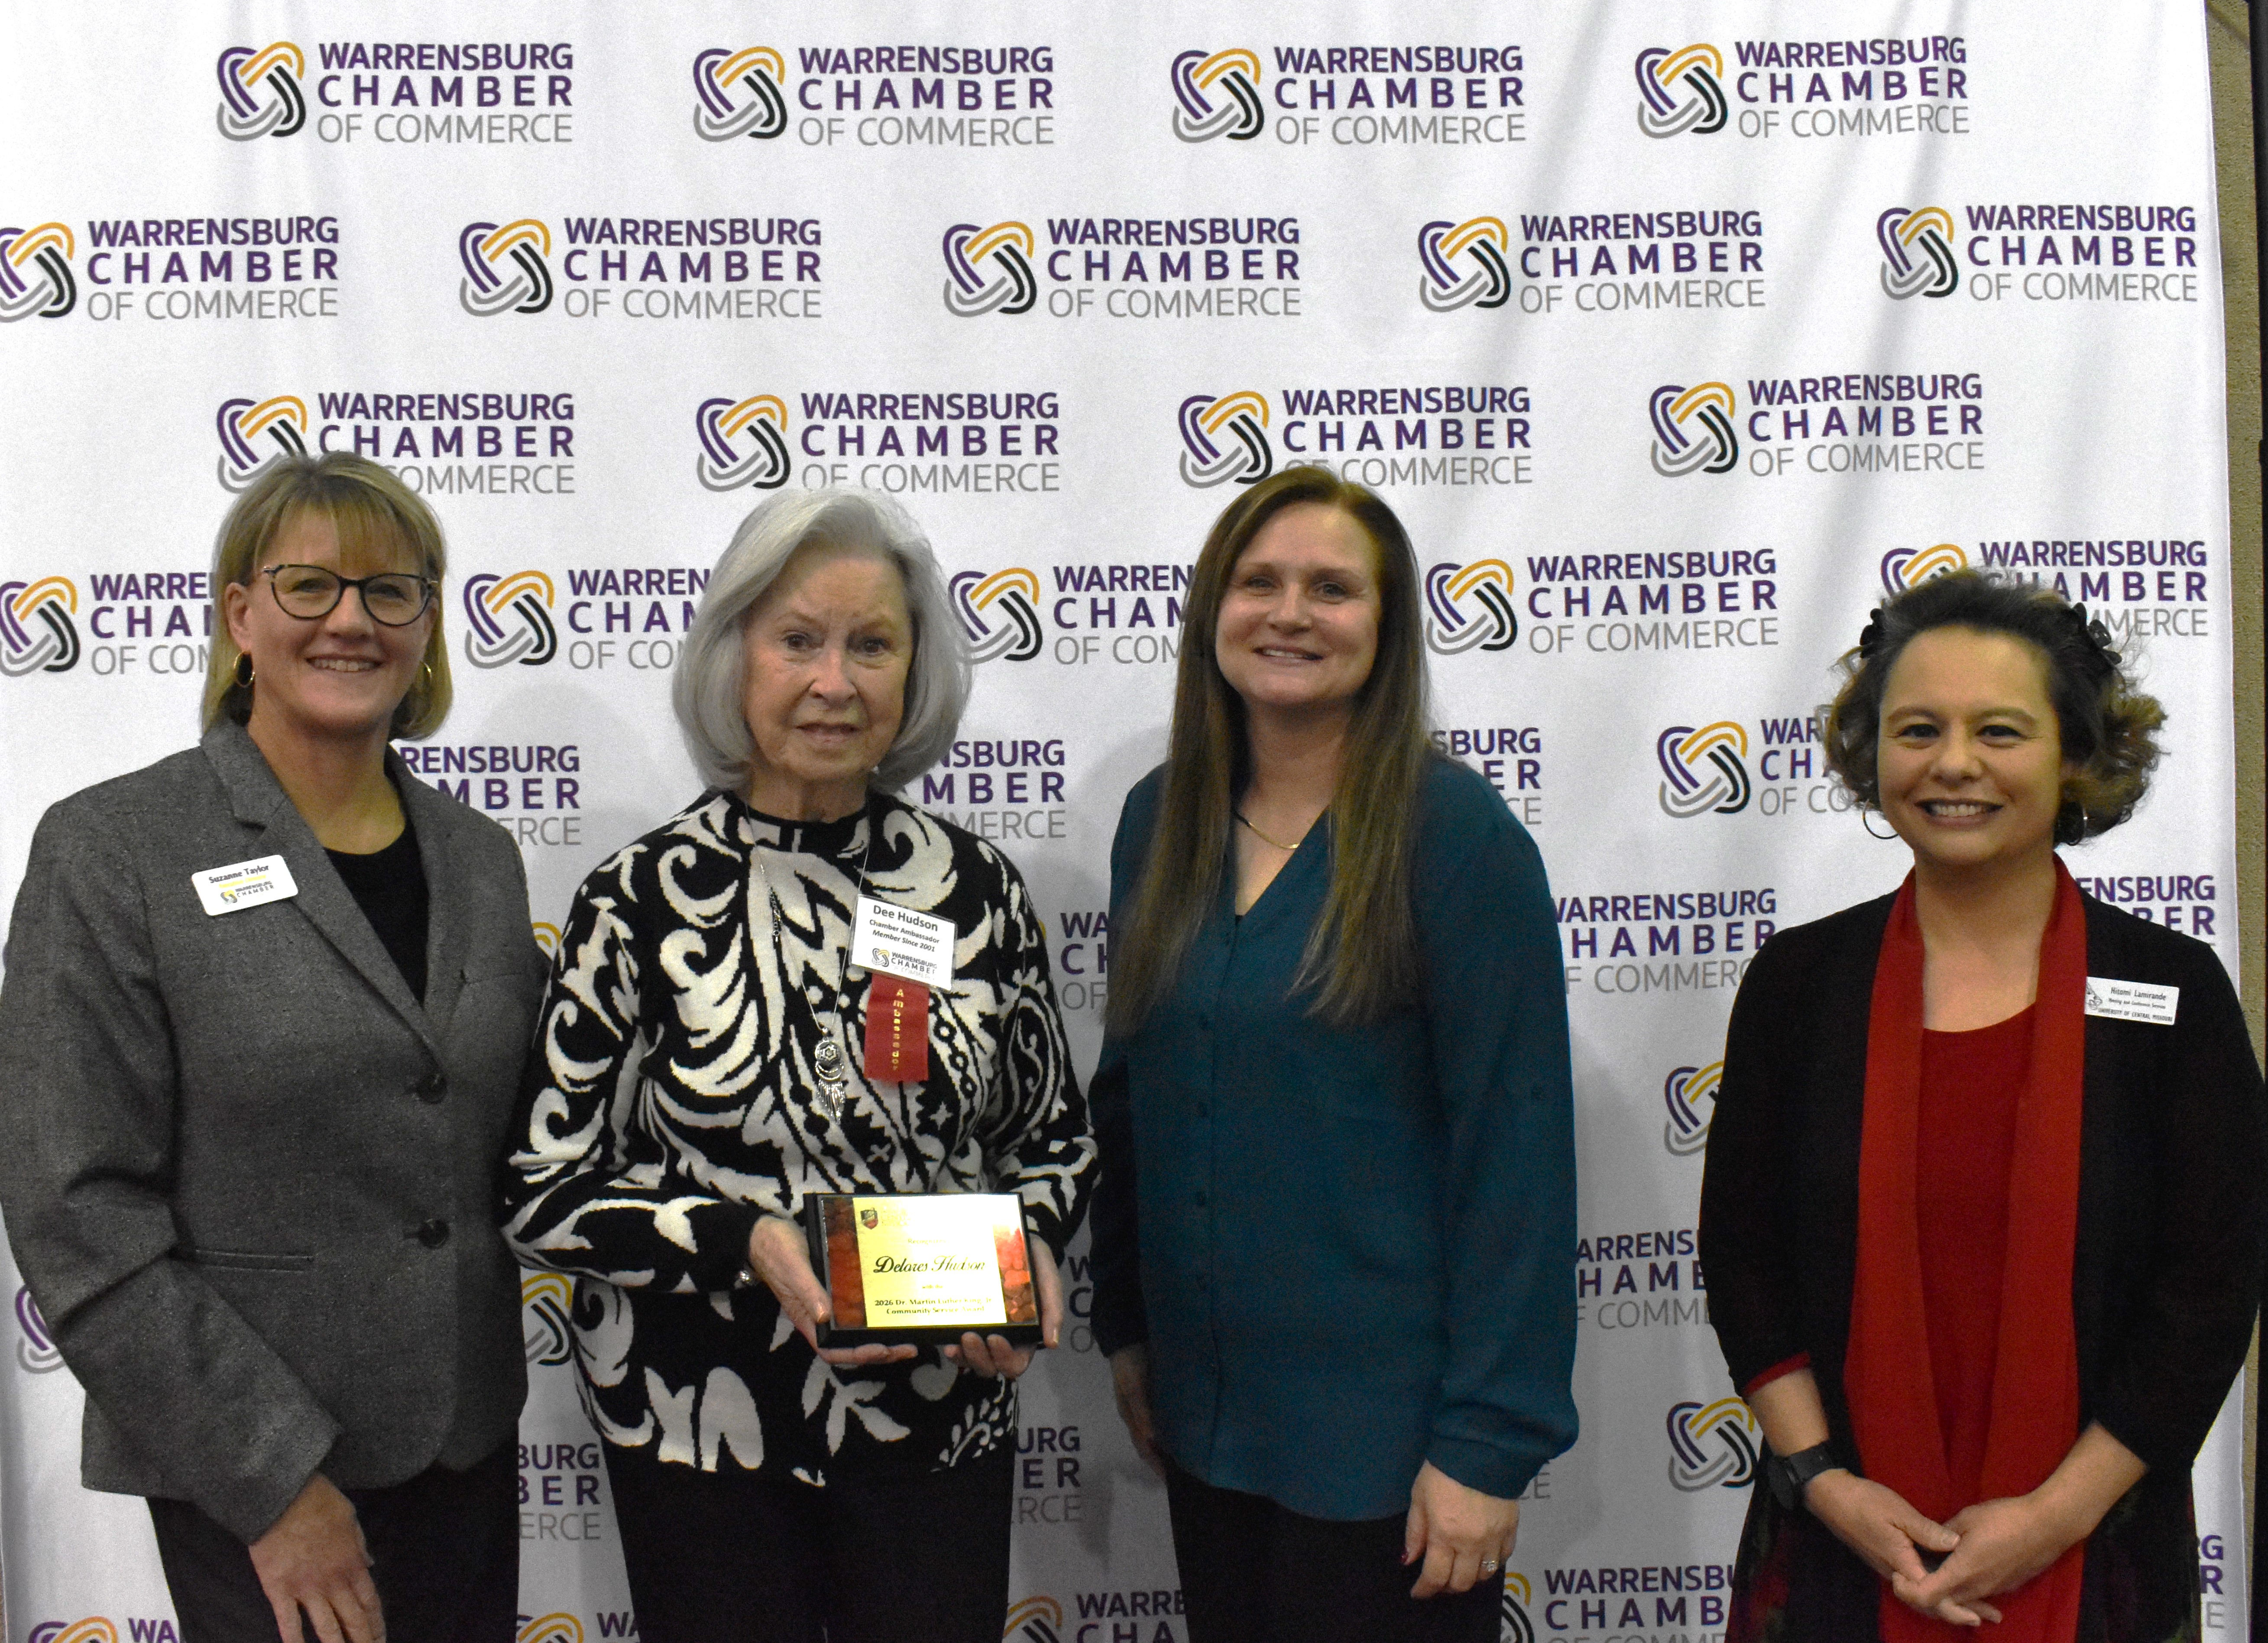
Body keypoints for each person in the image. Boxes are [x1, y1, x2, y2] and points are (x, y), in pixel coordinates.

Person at [502, 487, 1094, 1643]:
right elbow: (543, 1183)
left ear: (914, 670)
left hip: (936, 1423)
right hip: (699, 1430)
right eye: (797, 640)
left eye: (871, 643)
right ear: (734, 658)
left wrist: (1023, 1255)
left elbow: (1052, 1141)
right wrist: (742, 1241)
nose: (835, 681)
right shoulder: (638, 898)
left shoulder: (973, 892)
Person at [0, 454, 547, 1643]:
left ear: (427, 625)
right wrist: (273, 1482)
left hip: (464, 1446)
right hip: (257, 1478)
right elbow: (75, 1210)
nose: (351, 618)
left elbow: (530, 1139)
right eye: (310, 585)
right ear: (240, 615)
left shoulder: (482, 859)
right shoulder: (112, 849)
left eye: (389, 590)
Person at [1698, 570, 2265, 1643]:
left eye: (1998, 730)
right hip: (1837, 1547)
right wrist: (1823, 1483)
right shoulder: (1799, 984)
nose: (1952, 763)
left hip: (2096, 1554)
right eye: (1916, 729)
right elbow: (1741, 1252)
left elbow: (2205, 1289)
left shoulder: (2172, 990)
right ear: (1873, 755)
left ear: (2077, 755)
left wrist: (2051, 1517)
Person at [1088, 467, 1578, 1643]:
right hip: (1209, 1423)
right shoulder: (1160, 821)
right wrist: (1127, 1326)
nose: (1290, 613)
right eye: (1257, 582)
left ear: (1388, 625)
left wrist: (1485, 1446)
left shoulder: (1456, 838)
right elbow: (1132, 1095)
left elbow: (1514, 1154)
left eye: (1330, 588)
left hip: (1390, 1457)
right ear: (1212, 612)